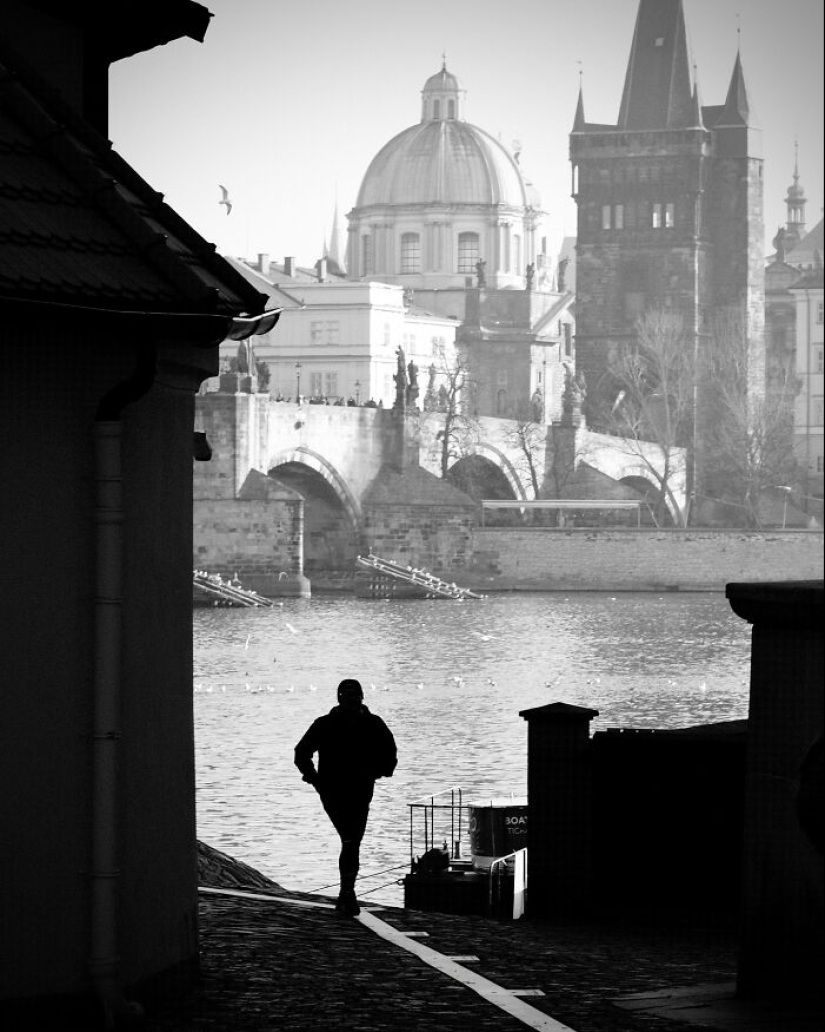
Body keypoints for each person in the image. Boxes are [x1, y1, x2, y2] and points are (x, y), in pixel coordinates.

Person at [294, 679, 397, 916]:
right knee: (351, 839)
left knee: (352, 840)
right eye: (346, 694)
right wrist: (315, 778)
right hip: (333, 791)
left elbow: (389, 753)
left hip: (358, 790)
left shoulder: (372, 724)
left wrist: (378, 771)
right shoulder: (326, 724)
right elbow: (301, 753)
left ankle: (347, 893)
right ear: (339, 697)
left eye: (354, 694)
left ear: (361, 697)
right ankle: (347, 892)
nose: (350, 699)